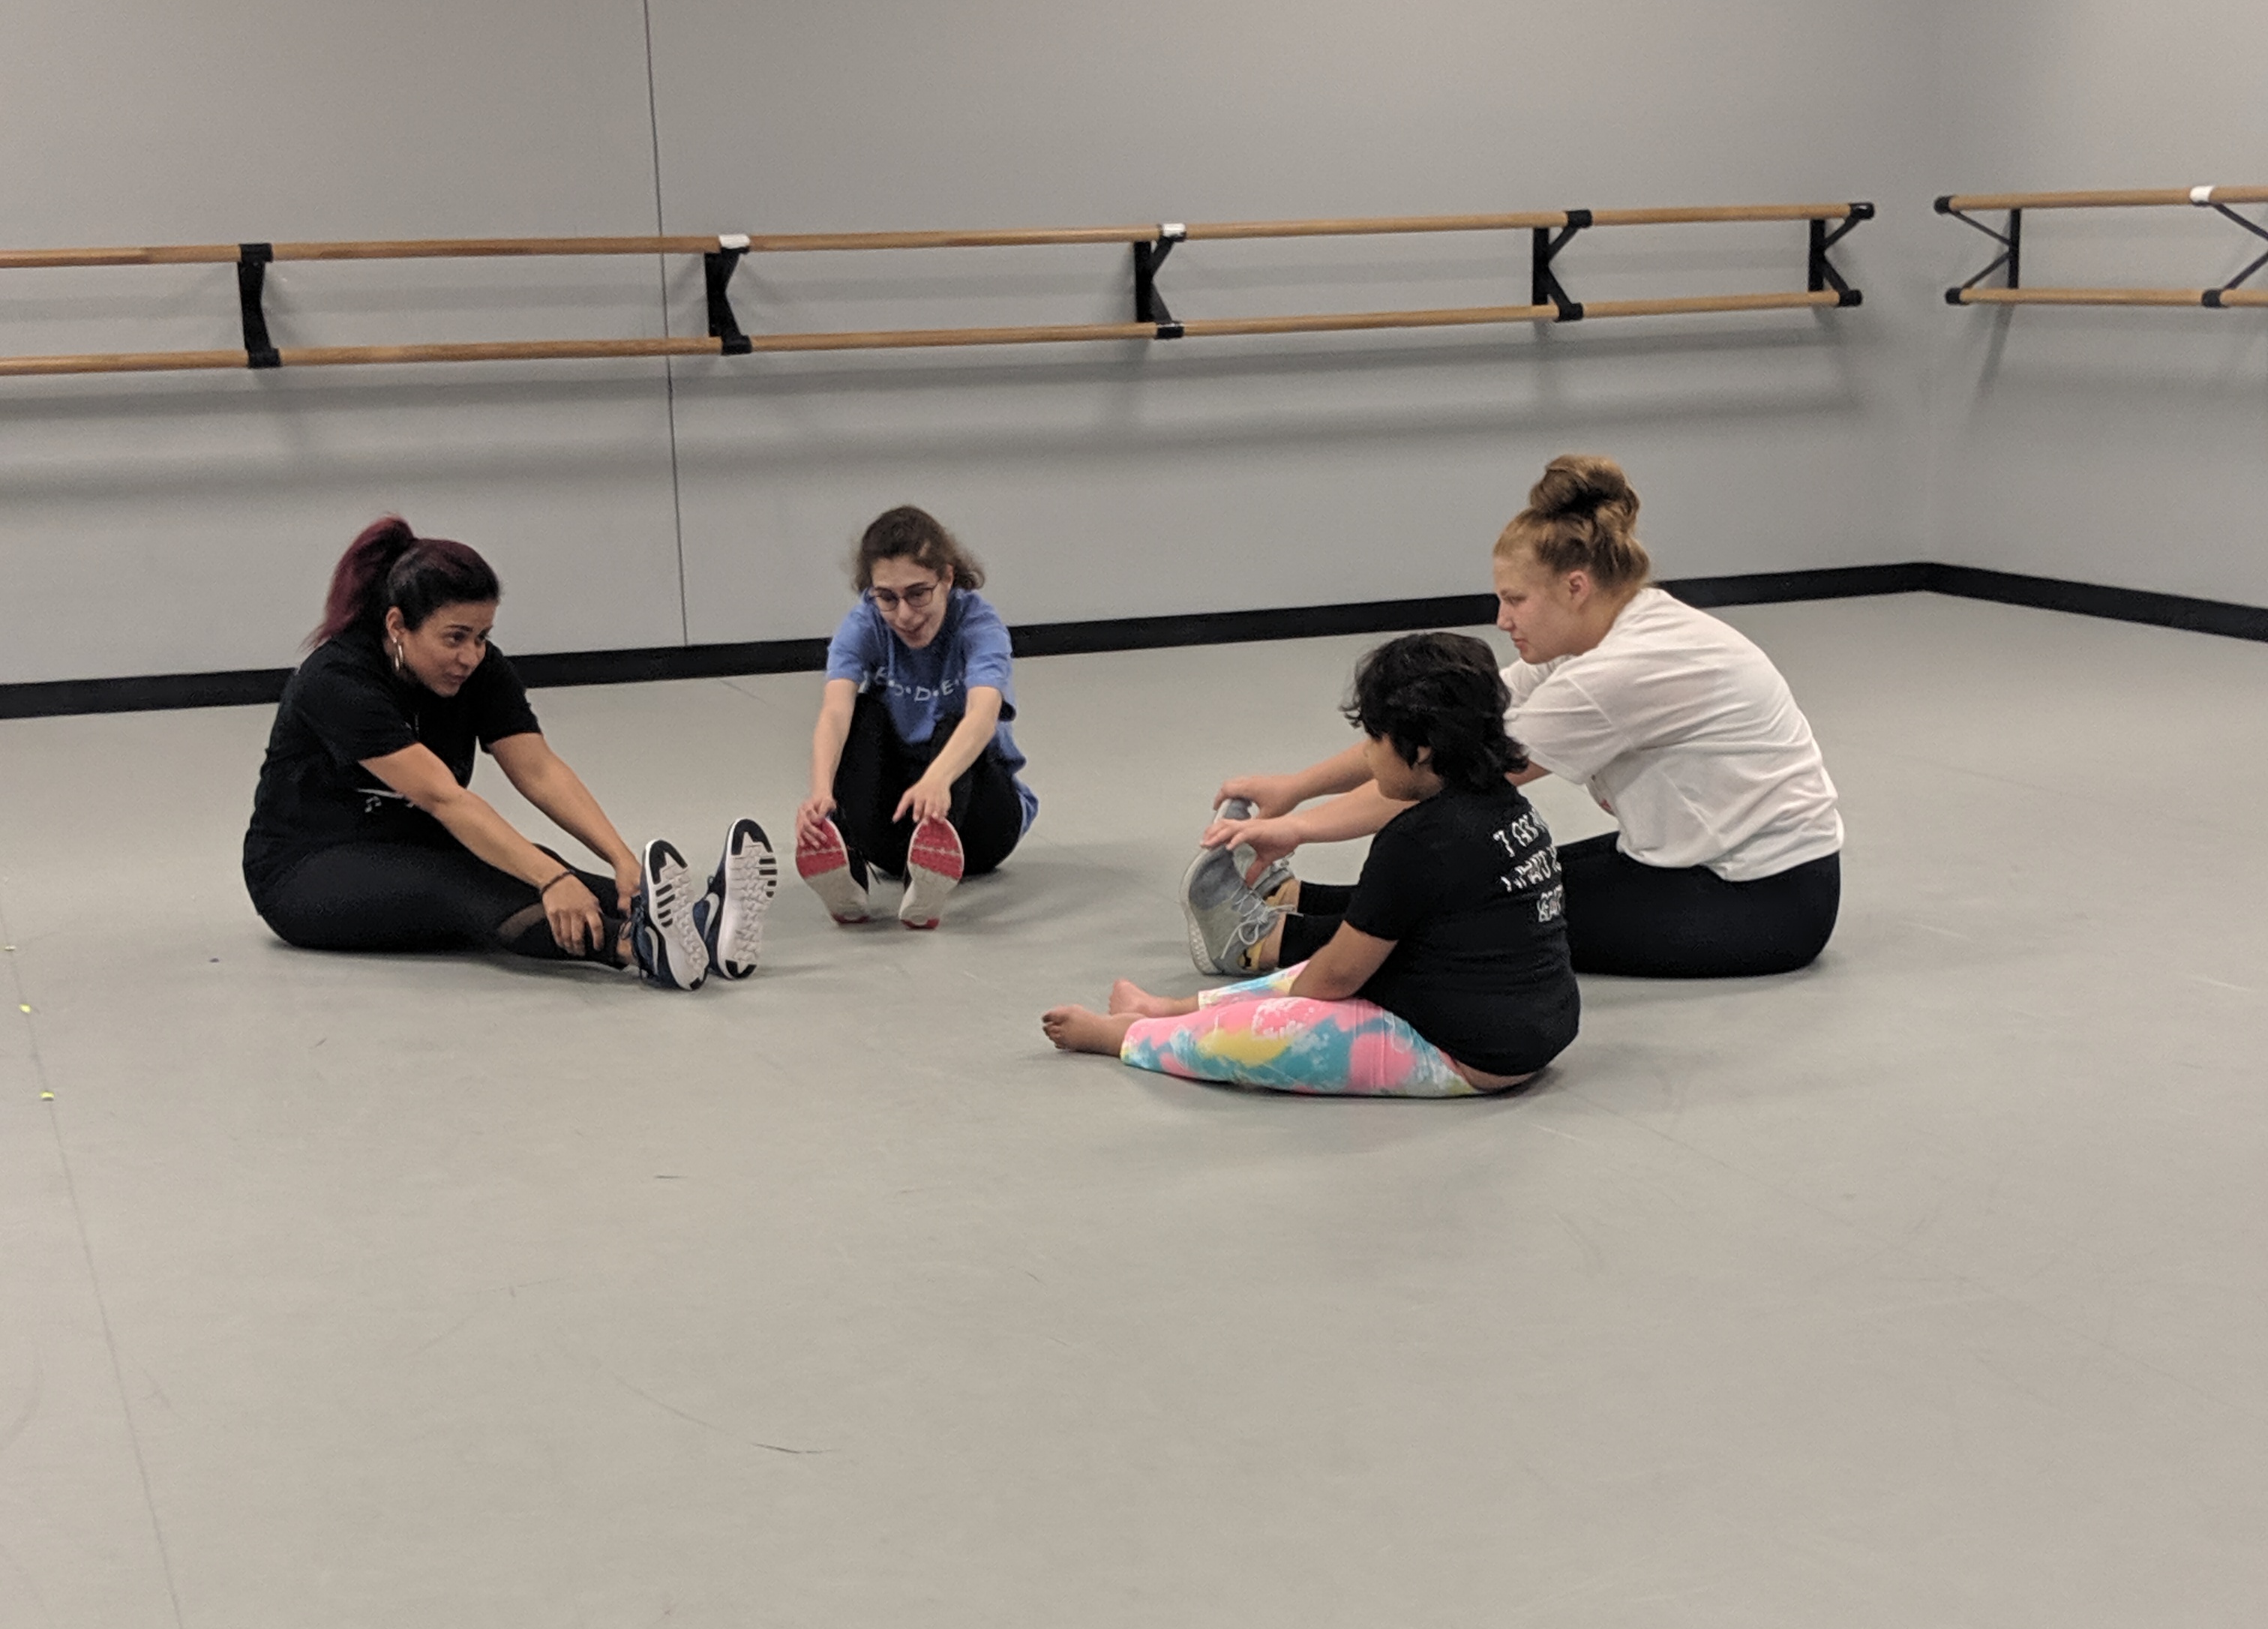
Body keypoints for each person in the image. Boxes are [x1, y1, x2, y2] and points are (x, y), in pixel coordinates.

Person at [1195, 455, 1843, 981]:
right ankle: (1296, 899)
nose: (1502, 620)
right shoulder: (1597, 632)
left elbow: (1446, 773)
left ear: (1575, 586)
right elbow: (1442, 727)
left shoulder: (1618, 672)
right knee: (1502, 878)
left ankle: (1265, 942)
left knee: (1488, 914)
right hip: (1689, 864)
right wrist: (1296, 788)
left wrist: (1300, 827)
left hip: (1762, 899)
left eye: (1515, 600)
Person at [243, 516, 775, 991]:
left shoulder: (480, 670)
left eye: (482, 636)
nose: (470, 656)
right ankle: (640, 947)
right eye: (455, 638)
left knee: (547, 868)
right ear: (398, 626)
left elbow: (540, 771)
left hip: (415, 844)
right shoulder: (337, 681)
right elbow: (445, 799)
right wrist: (551, 880)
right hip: (305, 869)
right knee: (473, 883)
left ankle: (700, 923)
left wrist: (621, 861)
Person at [1042, 632, 1576, 1096]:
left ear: (1420, 751)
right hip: (1536, 1025)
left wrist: (1284, 1012)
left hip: (1465, 1055)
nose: (1366, 754)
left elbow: (1337, 977)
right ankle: (1170, 1008)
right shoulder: (1507, 805)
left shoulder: (1416, 840)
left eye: (1374, 738)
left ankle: (1127, 1036)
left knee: (1281, 1026)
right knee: (1318, 964)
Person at [794, 504, 1036, 930]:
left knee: (954, 722)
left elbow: (983, 715)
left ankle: (927, 880)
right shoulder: (864, 624)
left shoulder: (979, 624)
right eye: (887, 597)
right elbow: (834, 712)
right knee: (862, 713)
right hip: (898, 829)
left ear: (947, 578)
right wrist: (819, 796)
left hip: (982, 825)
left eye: (918, 593)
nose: (904, 614)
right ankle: (847, 873)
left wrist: (937, 778)